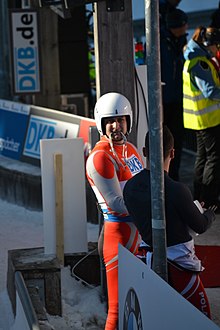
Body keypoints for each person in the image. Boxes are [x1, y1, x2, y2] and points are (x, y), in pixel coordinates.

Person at [123, 125, 217, 318]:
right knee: (200, 318)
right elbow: (199, 224)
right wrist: (210, 214)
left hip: (146, 265)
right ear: (173, 153)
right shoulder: (177, 190)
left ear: (144, 151)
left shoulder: (130, 187)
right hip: (180, 269)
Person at [86, 92, 144, 330]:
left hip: (139, 235)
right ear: (101, 123)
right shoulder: (100, 156)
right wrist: (154, 206)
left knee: (139, 307)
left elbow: (144, 185)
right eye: (110, 120)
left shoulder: (130, 149)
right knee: (117, 310)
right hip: (118, 238)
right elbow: (117, 206)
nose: (116, 125)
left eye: (120, 119)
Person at [183, 26, 220, 211]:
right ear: (209, 44)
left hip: (200, 119)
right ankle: (208, 200)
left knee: (203, 157)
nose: (217, 50)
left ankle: (200, 200)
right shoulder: (199, 62)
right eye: (217, 46)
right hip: (207, 120)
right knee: (213, 158)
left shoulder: (195, 58)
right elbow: (210, 91)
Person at [160, 8, 188, 181]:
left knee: (177, 141)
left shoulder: (182, 42)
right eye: (184, 24)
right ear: (175, 26)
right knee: (163, 141)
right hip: (163, 100)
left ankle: (174, 178)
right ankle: (164, 177)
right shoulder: (160, 41)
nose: (186, 27)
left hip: (179, 100)